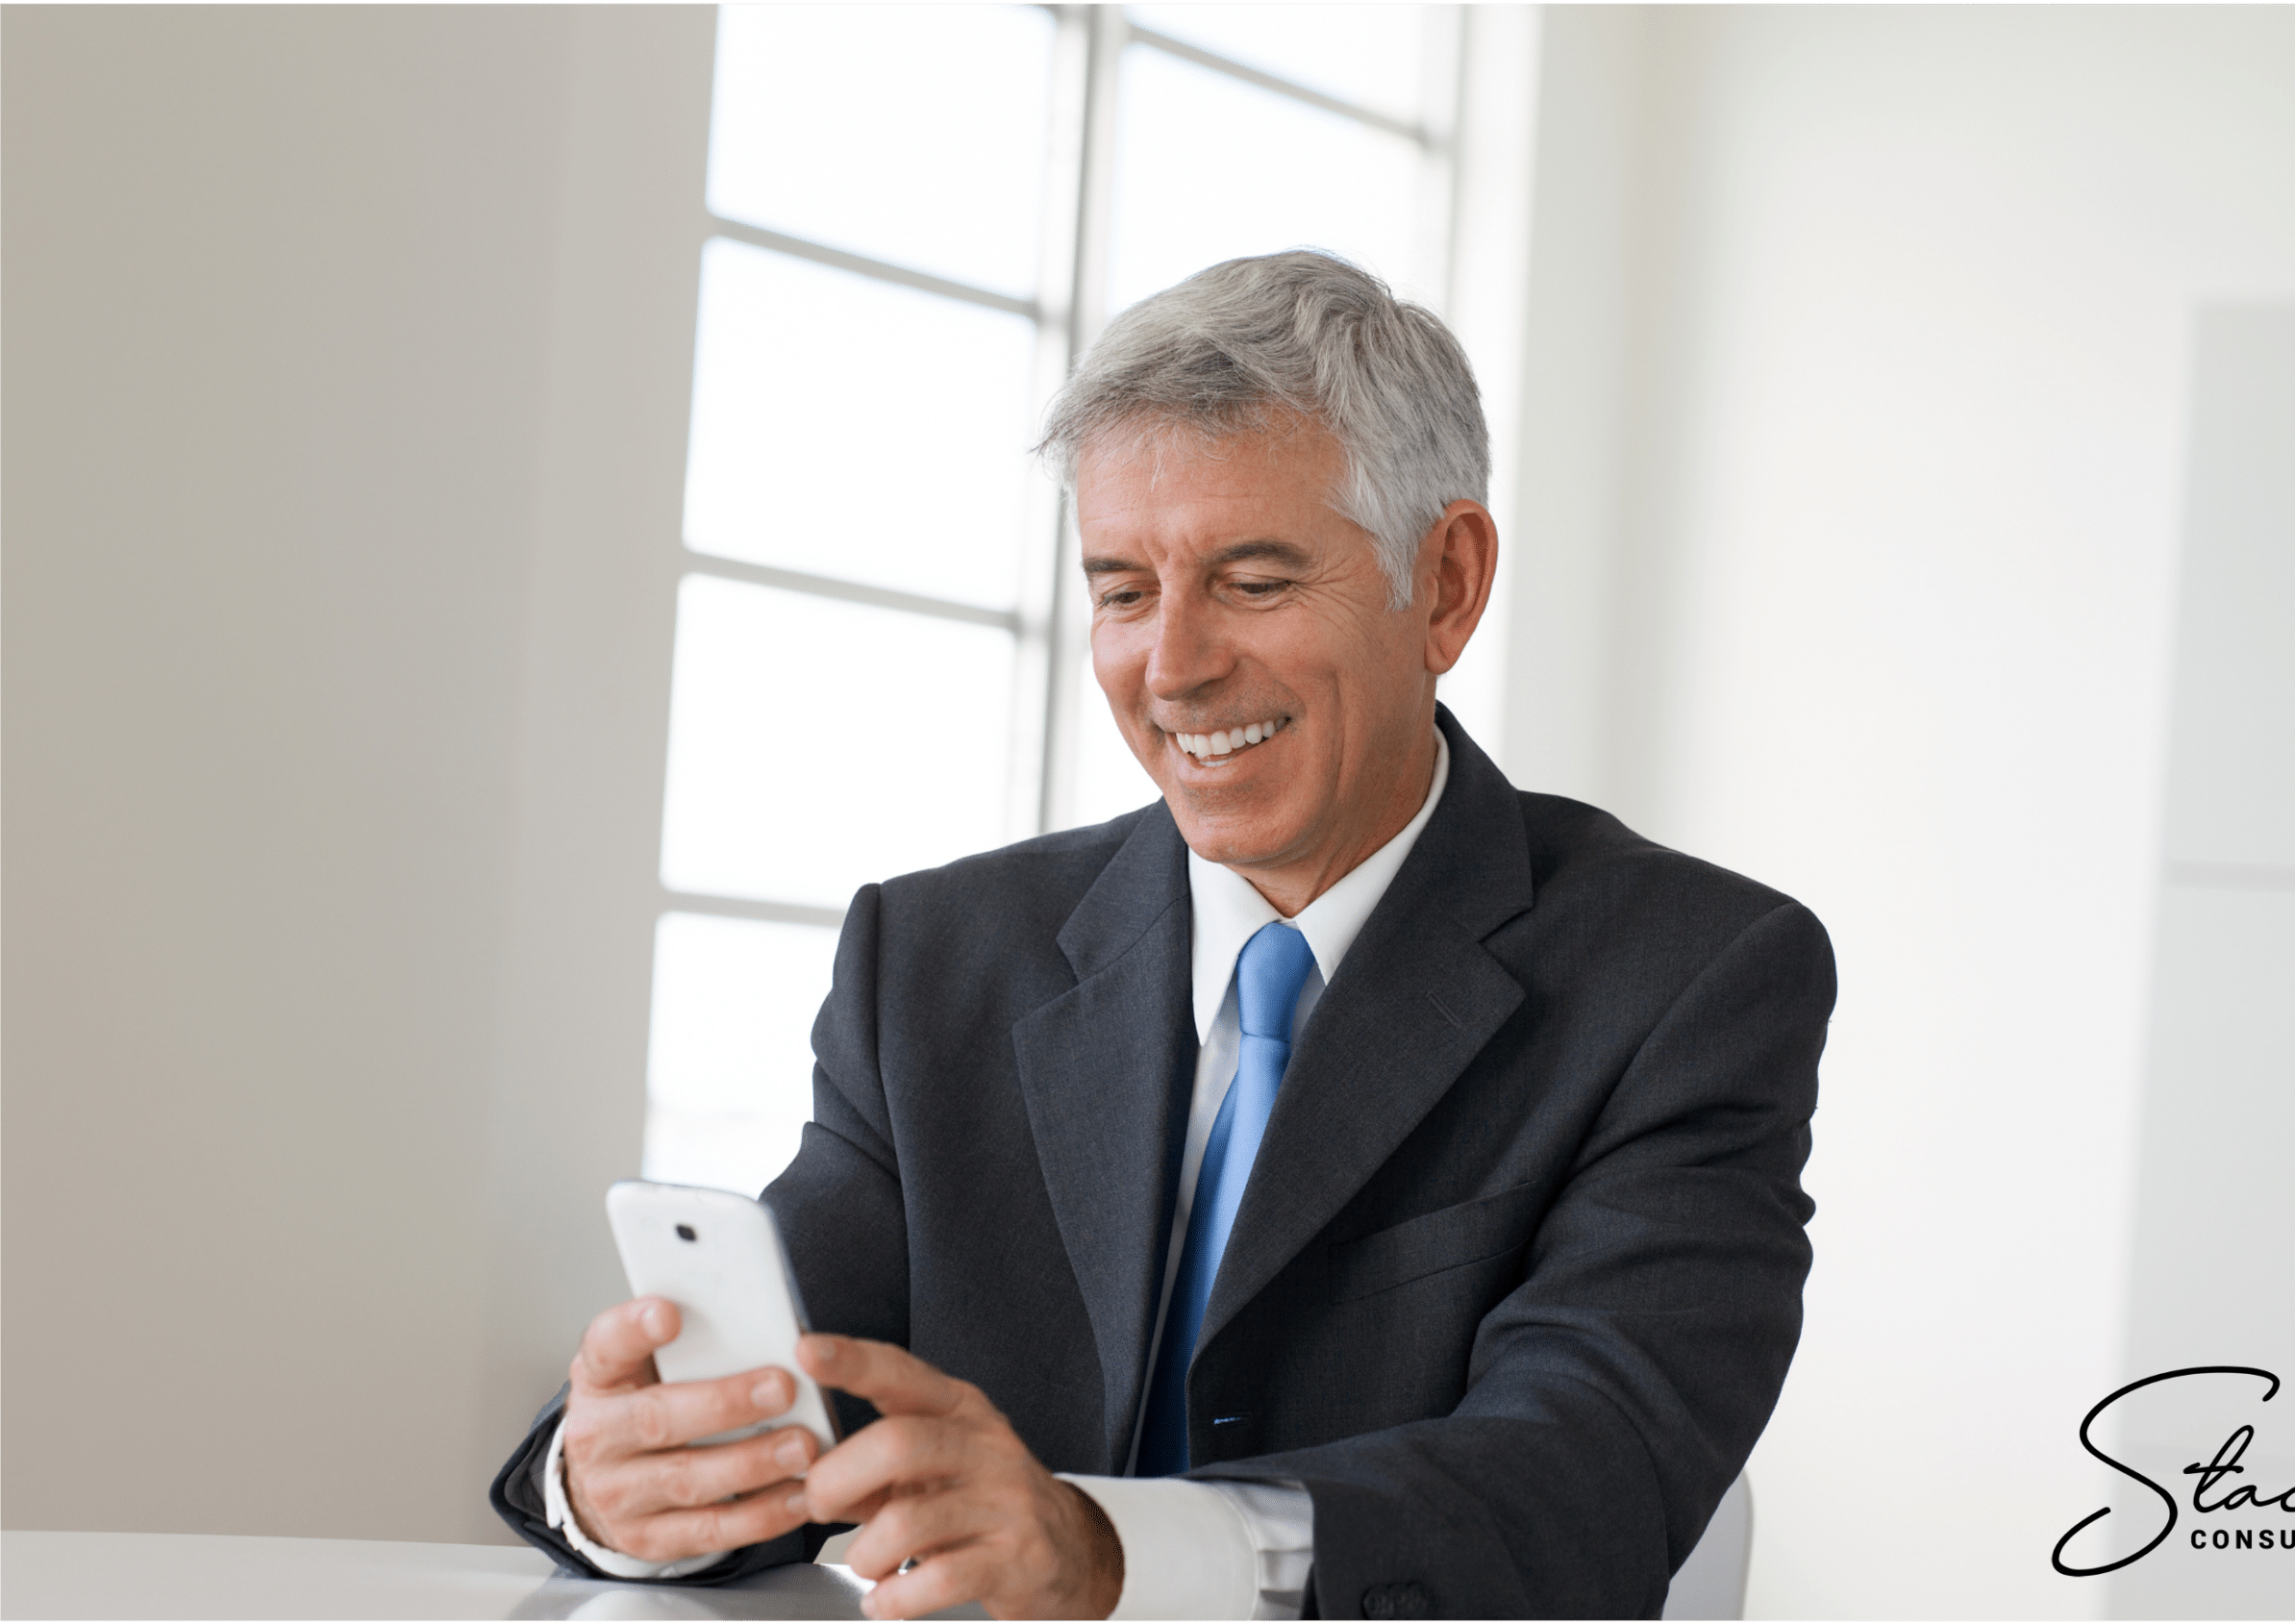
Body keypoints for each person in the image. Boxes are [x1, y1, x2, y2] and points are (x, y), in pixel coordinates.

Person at [490, 250, 1833, 1621]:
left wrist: (1115, 1552)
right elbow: (781, 1399)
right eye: (1124, 591)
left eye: (1252, 582)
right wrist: (614, 1486)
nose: (1173, 668)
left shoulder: (1691, 978)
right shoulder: (937, 958)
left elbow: (1587, 1483)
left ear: (1445, 584)